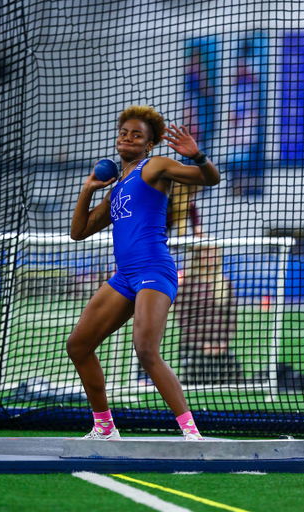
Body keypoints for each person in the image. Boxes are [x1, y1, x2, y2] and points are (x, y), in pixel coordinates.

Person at [67, 105, 220, 441]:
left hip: (154, 269)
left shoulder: (154, 167)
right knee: (78, 346)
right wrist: (88, 189)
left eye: (137, 135)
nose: (128, 138)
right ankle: (105, 427)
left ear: (149, 145)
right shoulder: (116, 188)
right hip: (124, 276)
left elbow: (211, 179)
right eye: (124, 133)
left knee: (146, 349)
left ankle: (192, 434)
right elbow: (78, 232)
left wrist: (198, 156)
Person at [174, 244, 239, 385]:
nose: (210, 256)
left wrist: (224, 343)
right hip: (193, 347)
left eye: (214, 252)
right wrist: (202, 344)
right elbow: (183, 320)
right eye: (206, 252)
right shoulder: (187, 284)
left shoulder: (225, 283)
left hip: (221, 346)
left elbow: (231, 318)